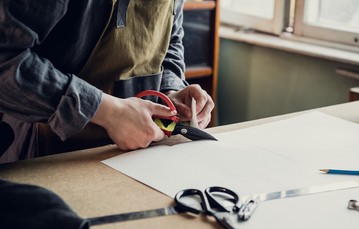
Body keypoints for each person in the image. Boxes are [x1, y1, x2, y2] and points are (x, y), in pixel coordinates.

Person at [0, 0, 214, 164]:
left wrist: (171, 89)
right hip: (42, 155)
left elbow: (170, 39)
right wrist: (106, 110)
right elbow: (5, 60)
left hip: (135, 159)